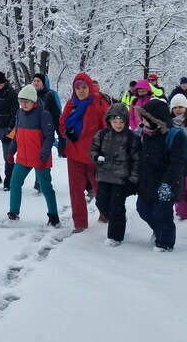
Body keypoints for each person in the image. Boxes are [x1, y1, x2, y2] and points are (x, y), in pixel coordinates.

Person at [134, 98, 187, 252]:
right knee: (143, 209)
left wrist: (167, 184)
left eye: (145, 119)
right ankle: (158, 230)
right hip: (147, 181)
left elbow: (177, 163)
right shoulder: (145, 134)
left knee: (162, 214)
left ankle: (165, 243)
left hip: (167, 183)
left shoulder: (174, 135)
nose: (142, 122)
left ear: (156, 119)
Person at [60, 72, 110, 231]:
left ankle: (105, 213)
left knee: (100, 188)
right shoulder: (70, 104)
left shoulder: (100, 104)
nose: (81, 90)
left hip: (94, 156)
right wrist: (66, 132)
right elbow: (62, 124)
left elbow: (107, 129)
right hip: (74, 154)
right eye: (78, 87)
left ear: (89, 88)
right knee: (75, 190)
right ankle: (80, 223)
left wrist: (103, 148)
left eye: (84, 87)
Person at [5, 84, 60, 227]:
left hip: (39, 158)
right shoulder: (19, 113)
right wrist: (11, 151)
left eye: (26, 101)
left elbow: (49, 138)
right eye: (21, 101)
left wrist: (43, 156)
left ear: (34, 101)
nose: (23, 104)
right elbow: (17, 135)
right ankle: (13, 213)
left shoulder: (43, 115)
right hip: (23, 158)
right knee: (15, 183)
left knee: (46, 187)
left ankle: (53, 216)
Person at [89, 103, 141, 246]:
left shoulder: (132, 138)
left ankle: (115, 236)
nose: (118, 124)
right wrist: (96, 157)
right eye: (114, 121)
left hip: (121, 179)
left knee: (116, 206)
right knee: (101, 202)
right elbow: (93, 149)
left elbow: (137, 160)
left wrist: (133, 180)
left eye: (121, 121)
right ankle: (116, 221)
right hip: (104, 176)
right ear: (109, 121)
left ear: (126, 121)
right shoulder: (102, 134)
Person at [31, 72, 63, 183]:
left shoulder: (50, 94)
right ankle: (38, 181)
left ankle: (42, 181)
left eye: (38, 81)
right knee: (35, 154)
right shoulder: (30, 94)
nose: (36, 83)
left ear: (44, 83)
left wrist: (59, 130)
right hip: (33, 129)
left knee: (44, 154)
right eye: (34, 80)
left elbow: (56, 112)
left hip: (46, 129)